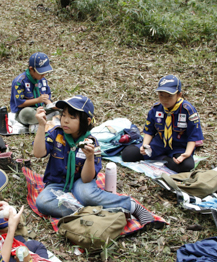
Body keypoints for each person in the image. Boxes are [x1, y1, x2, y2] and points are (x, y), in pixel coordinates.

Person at [33, 95, 160, 227]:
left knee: (87, 196)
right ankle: (89, 212)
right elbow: (38, 153)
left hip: (80, 181)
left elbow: (87, 179)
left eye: (72, 117)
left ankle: (132, 206)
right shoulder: (56, 134)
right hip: (57, 182)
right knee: (42, 202)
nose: (65, 121)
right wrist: (41, 126)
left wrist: (89, 157)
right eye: (63, 115)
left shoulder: (91, 143)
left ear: (87, 121)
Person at [121, 75, 203, 173]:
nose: (165, 99)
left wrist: (187, 153)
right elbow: (149, 130)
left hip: (179, 147)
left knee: (187, 166)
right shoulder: (156, 109)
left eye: (169, 96)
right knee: (127, 154)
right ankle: (162, 157)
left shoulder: (188, 111)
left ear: (179, 95)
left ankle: (166, 160)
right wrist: (145, 145)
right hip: (159, 144)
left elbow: (193, 136)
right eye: (161, 95)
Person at [9, 52, 54, 126]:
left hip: (42, 109)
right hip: (25, 111)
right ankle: (49, 120)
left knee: (63, 109)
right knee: (26, 114)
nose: (43, 75)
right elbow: (19, 103)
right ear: (31, 69)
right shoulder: (19, 82)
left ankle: (43, 121)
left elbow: (46, 97)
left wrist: (51, 105)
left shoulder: (42, 80)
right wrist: (38, 100)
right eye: (41, 73)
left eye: (45, 72)